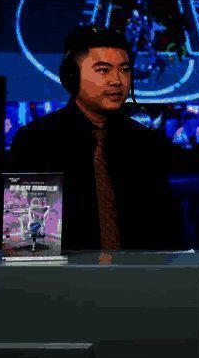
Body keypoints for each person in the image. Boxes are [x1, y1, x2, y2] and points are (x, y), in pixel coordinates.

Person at [9, 26, 183, 251]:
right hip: (64, 272)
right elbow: (29, 245)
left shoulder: (145, 142)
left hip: (140, 271)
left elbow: (167, 233)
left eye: (124, 70)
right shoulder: (36, 141)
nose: (117, 80)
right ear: (72, 77)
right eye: (103, 70)